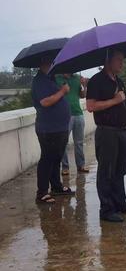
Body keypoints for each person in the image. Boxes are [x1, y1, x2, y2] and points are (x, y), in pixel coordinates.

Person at [86, 49, 126, 223]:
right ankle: (107, 209)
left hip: (122, 132)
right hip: (107, 132)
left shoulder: (119, 81)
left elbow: (123, 105)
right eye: (119, 60)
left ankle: (120, 203)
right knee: (106, 172)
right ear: (108, 61)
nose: (122, 63)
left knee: (119, 171)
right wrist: (113, 101)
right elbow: (91, 106)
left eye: (122, 60)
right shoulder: (96, 81)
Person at [32, 57, 75, 204]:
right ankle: (42, 192)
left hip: (60, 127)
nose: (52, 65)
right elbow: (45, 102)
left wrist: (62, 89)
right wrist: (62, 91)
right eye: (50, 62)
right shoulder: (39, 80)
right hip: (48, 128)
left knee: (56, 158)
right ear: (43, 63)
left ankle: (56, 187)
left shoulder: (52, 78)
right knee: (47, 159)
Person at [55, 73, 89, 175]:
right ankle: (65, 167)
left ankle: (81, 165)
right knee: (62, 143)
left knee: (79, 142)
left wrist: (84, 85)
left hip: (78, 113)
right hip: (64, 115)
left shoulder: (78, 78)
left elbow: (83, 95)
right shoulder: (57, 79)